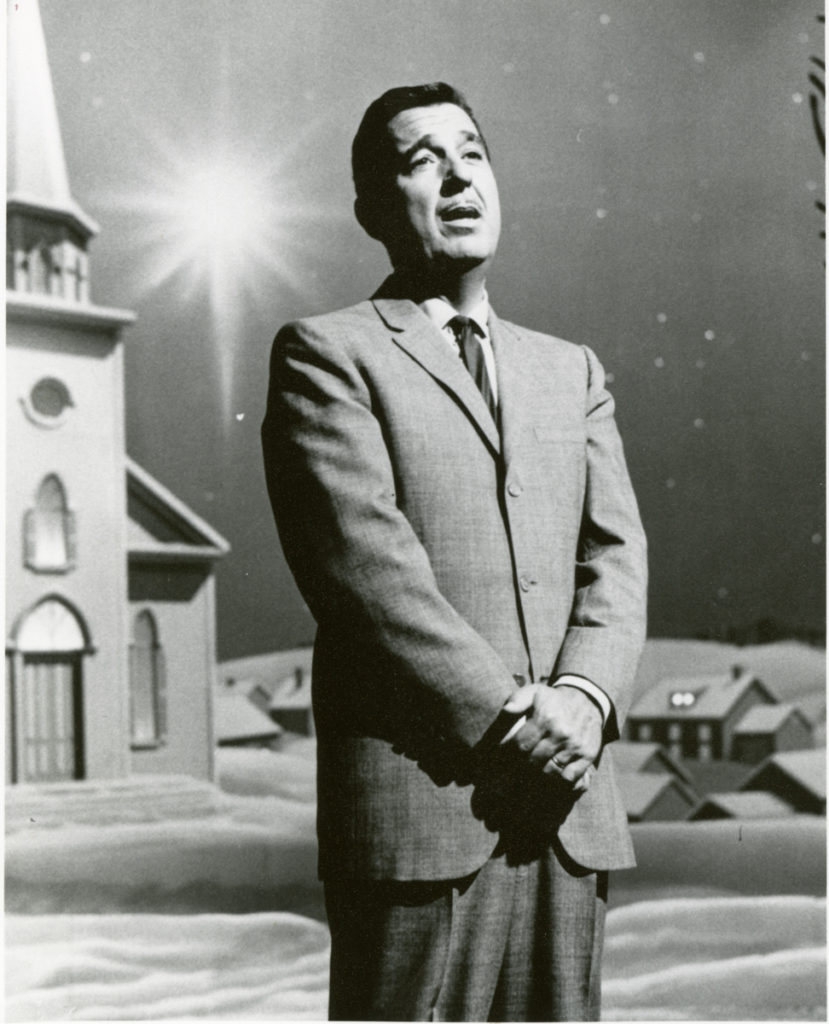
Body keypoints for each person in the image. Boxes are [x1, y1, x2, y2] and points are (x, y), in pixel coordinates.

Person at [261, 82, 647, 1022]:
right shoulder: (327, 354)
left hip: (566, 816)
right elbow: (367, 571)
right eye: (421, 157)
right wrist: (519, 718)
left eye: (471, 150)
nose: (457, 172)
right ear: (372, 208)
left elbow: (615, 557)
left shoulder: (572, 370)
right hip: (423, 816)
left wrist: (585, 701)